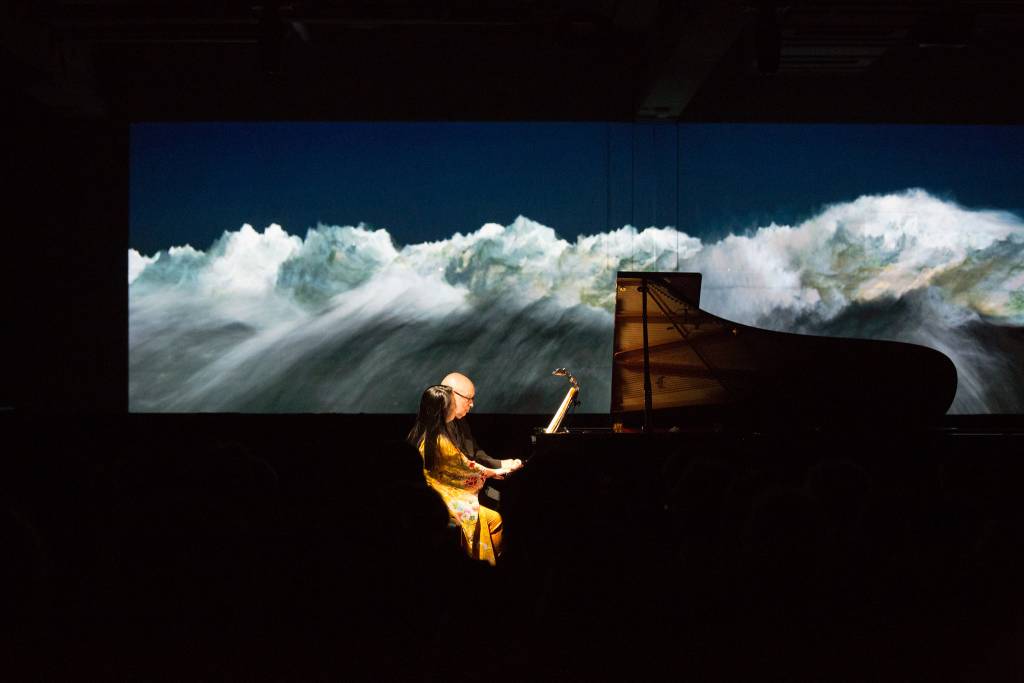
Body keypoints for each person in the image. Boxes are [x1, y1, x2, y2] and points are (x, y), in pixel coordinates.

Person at [407, 384, 513, 565]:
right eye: (451, 404)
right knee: (494, 519)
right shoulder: (439, 440)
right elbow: (466, 468)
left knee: (493, 518)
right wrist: (495, 472)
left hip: (438, 492)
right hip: (444, 497)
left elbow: (462, 465)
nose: (455, 407)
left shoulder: (426, 433)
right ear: (442, 408)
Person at [440, 372, 523, 474]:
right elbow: (458, 464)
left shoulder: (461, 420)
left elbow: (474, 452)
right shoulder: (436, 428)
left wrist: (500, 463)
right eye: (468, 398)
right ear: (450, 395)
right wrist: (496, 471)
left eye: (472, 399)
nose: (472, 404)